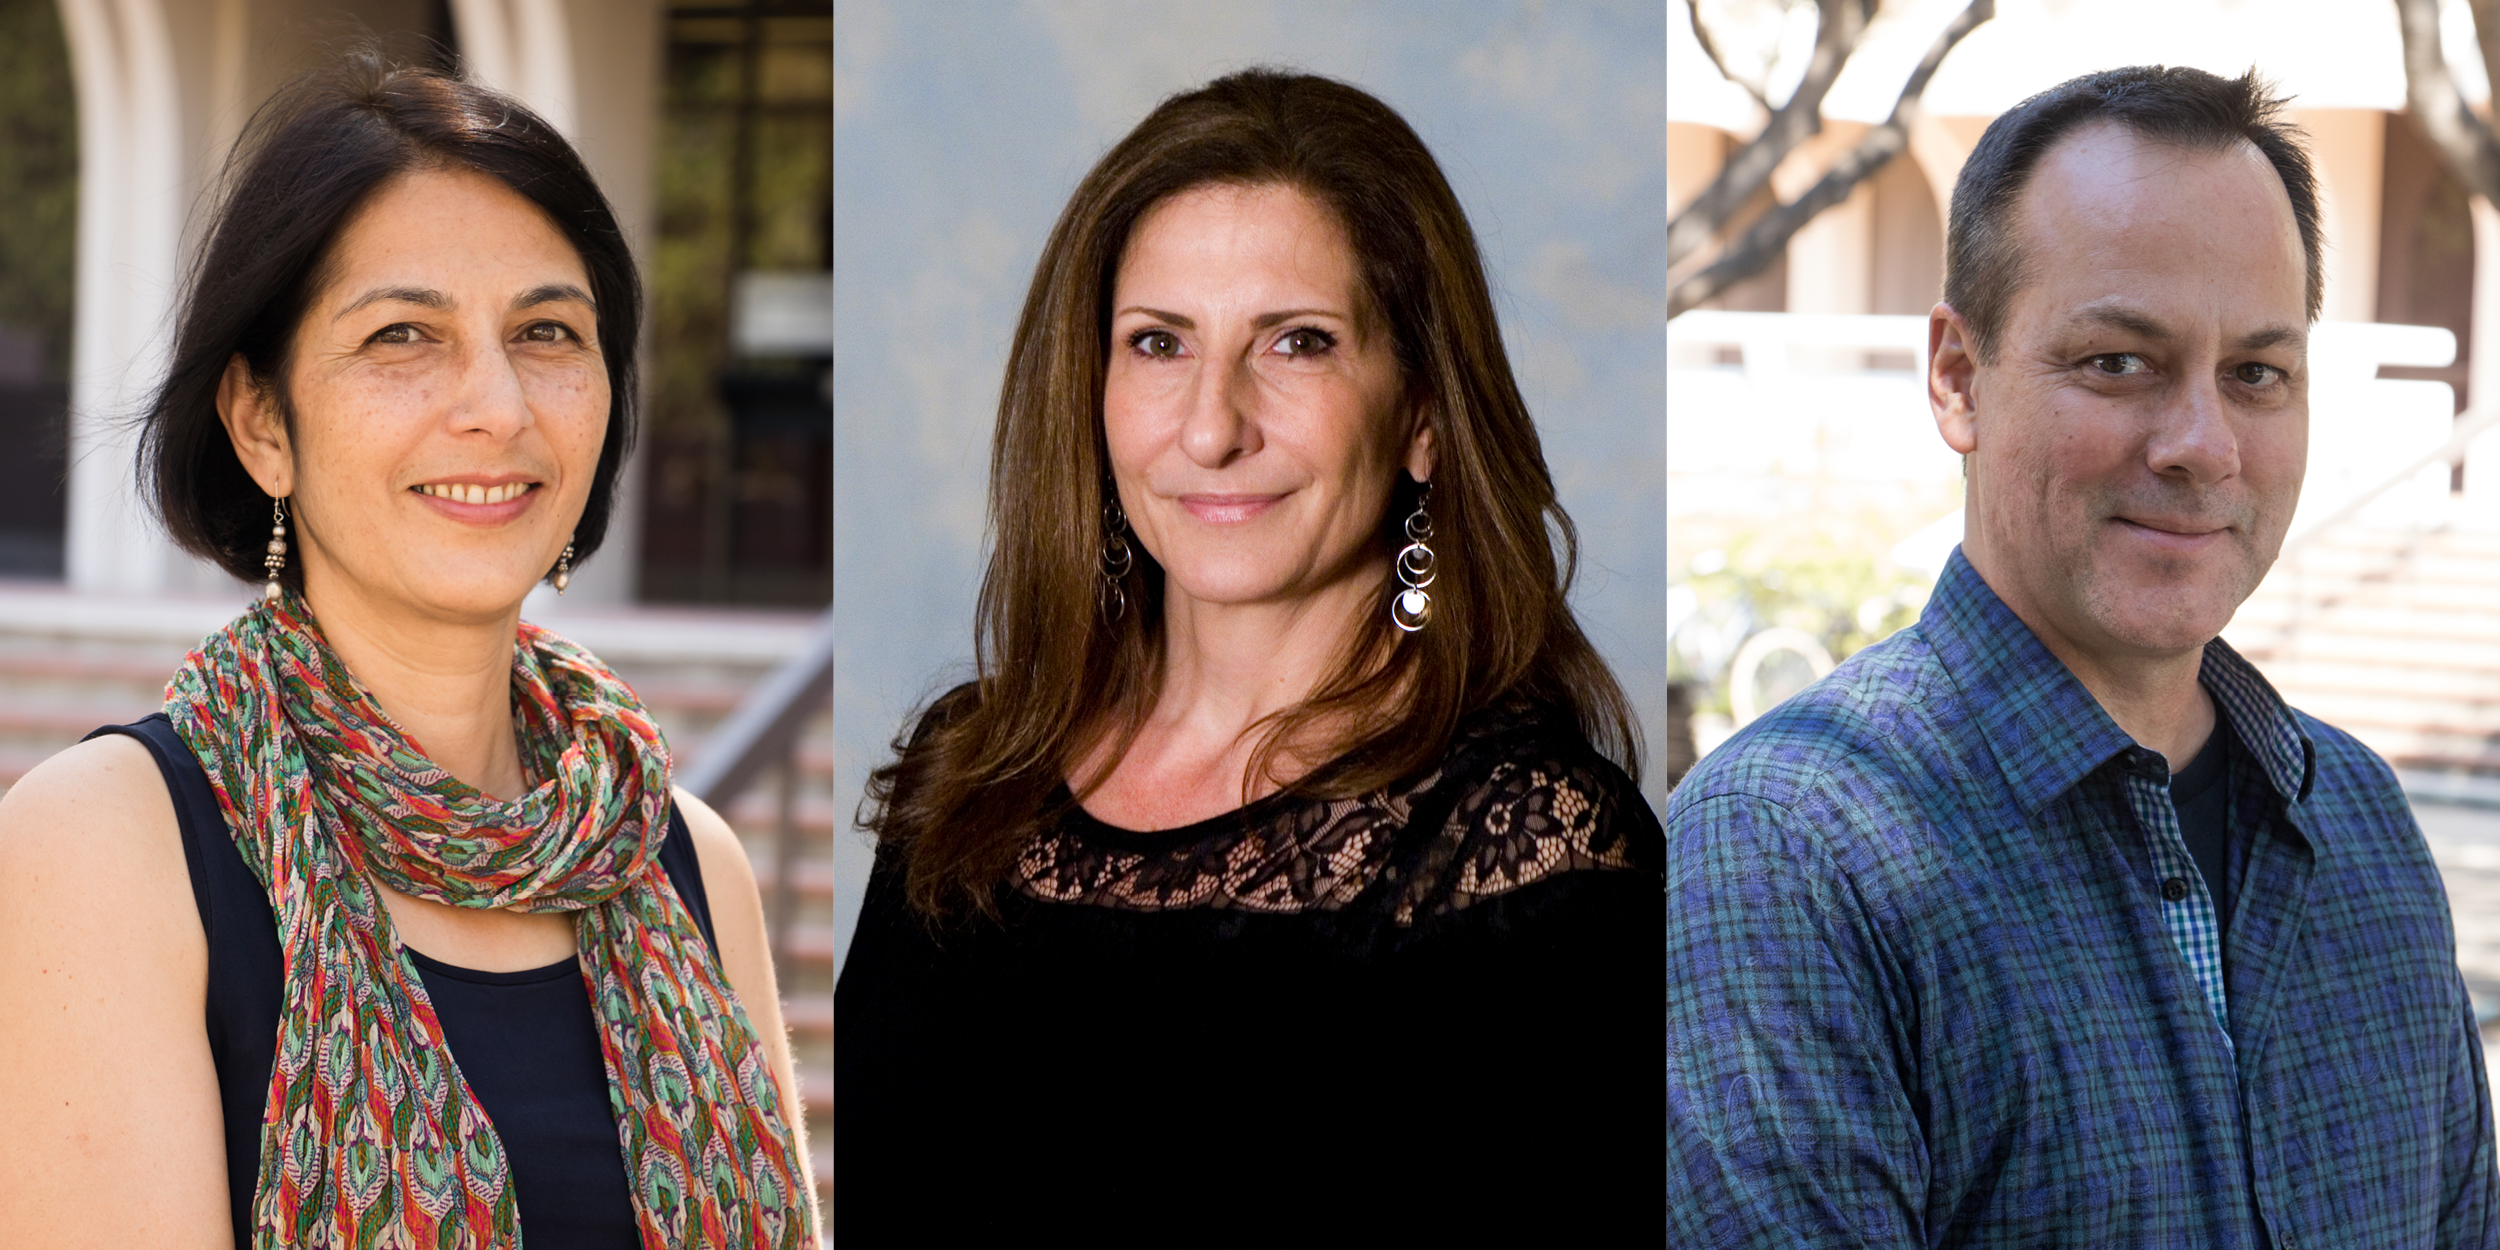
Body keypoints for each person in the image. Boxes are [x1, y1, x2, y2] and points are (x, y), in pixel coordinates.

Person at [1666, 64, 2499, 1247]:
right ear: (1957, 376)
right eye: (2120, 361)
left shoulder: (2358, 820)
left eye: (2255, 373)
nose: (2202, 444)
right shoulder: (1790, 851)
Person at [834, 68, 1664, 1243]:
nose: (1212, 425)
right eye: (1159, 343)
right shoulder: (970, 775)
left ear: (1421, 415)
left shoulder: (1532, 852)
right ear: (1094, 390)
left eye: (1299, 343)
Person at [0, 55, 818, 1247]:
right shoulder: (106, 848)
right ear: (261, 422)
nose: (497, 404)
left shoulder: (684, 857)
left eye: (547, 330)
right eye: (402, 335)